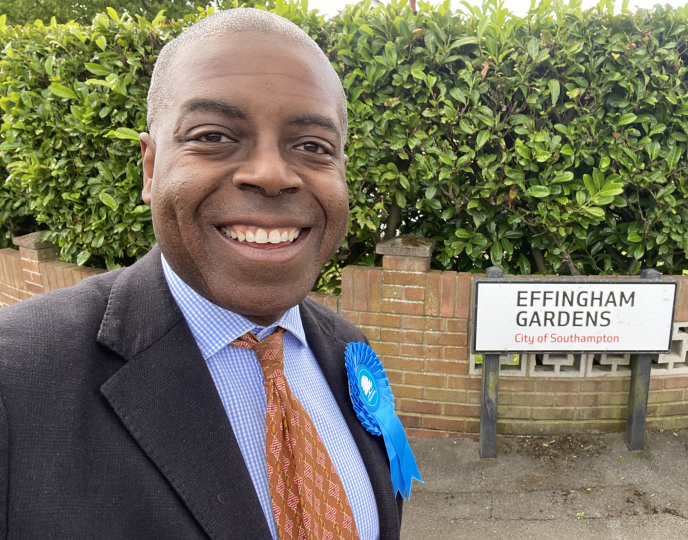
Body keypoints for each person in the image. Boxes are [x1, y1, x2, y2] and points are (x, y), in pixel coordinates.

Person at [0, 8, 404, 540]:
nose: (271, 174)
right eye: (213, 136)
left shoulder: (350, 356)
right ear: (150, 167)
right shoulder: (16, 379)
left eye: (312, 147)